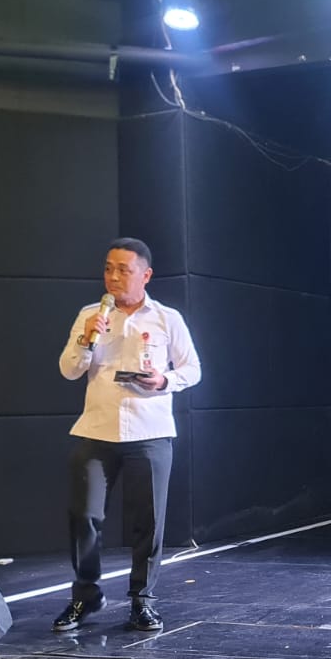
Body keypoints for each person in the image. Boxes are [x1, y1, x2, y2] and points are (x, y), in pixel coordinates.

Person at [52, 238, 201, 632]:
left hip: (150, 432)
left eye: (123, 269)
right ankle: (86, 595)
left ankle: (142, 600)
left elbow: (192, 369)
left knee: (148, 521)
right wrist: (86, 339)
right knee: (84, 516)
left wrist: (163, 380)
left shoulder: (167, 318)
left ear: (145, 275)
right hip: (96, 430)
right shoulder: (90, 314)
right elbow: (69, 370)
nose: (113, 277)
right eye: (108, 268)